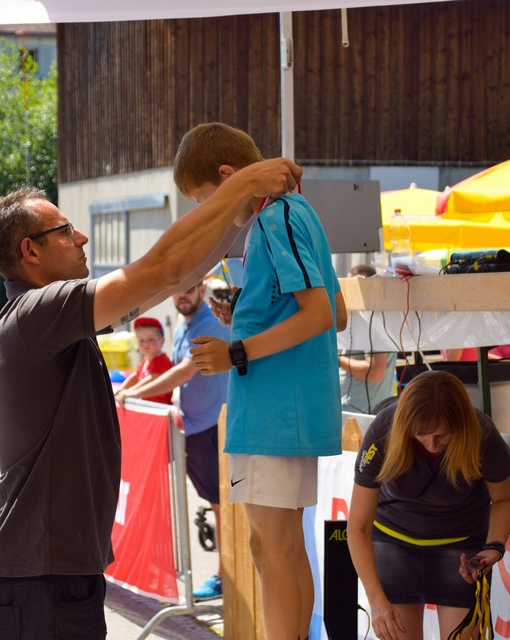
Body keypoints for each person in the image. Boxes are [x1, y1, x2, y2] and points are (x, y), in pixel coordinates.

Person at [0, 154, 301, 639]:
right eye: (65, 230)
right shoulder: (36, 313)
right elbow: (161, 268)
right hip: (37, 580)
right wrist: (243, 184)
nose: (82, 237)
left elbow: (177, 276)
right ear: (31, 251)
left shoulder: (51, 318)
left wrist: (239, 215)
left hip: (52, 574)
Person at [180, 122, 347, 640]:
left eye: (205, 197)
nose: (207, 210)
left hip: (274, 410)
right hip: (285, 408)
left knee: (272, 548)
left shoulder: (275, 218)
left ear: (229, 175)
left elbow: (321, 315)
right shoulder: (295, 213)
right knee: (282, 545)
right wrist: (246, 322)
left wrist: (237, 349)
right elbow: (335, 312)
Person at [346, 370, 510, 640]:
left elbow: (505, 499)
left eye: (441, 435)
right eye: (420, 435)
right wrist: (376, 601)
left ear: (460, 424)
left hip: (461, 549)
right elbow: (358, 527)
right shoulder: (383, 430)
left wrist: (493, 547)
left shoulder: (482, 434)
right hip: (394, 543)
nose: (431, 444)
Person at [115, 279, 231, 600]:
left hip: (211, 426)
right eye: (178, 289)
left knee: (223, 506)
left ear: (202, 291)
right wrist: (127, 390)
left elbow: (183, 372)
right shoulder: (184, 324)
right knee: (218, 505)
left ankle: (225, 577)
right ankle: (226, 575)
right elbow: (153, 369)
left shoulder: (209, 324)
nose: (183, 295)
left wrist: (133, 394)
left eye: (190, 288)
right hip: (194, 427)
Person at [339, 265, 397, 415]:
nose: (346, 292)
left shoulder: (375, 321)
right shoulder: (361, 318)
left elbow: (375, 372)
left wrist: (336, 360)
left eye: (352, 286)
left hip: (363, 414)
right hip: (353, 411)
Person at [115, 317, 174, 404]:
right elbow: (135, 376)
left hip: (160, 407)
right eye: (141, 340)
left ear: (162, 341)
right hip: (147, 405)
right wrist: (121, 389)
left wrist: (130, 391)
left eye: (151, 339)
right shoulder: (145, 361)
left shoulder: (163, 360)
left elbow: (152, 379)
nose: (145, 344)